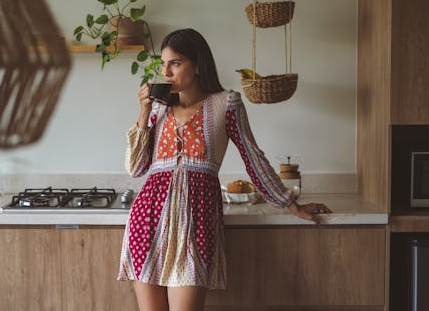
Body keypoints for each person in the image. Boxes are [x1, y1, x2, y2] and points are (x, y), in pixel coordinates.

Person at [117, 28, 331, 311]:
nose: (166, 72)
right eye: (163, 64)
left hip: (196, 221)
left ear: (197, 64)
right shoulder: (158, 110)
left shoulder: (225, 103)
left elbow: (253, 157)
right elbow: (136, 168)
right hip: (147, 220)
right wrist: (143, 113)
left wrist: (290, 203)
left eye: (175, 63)